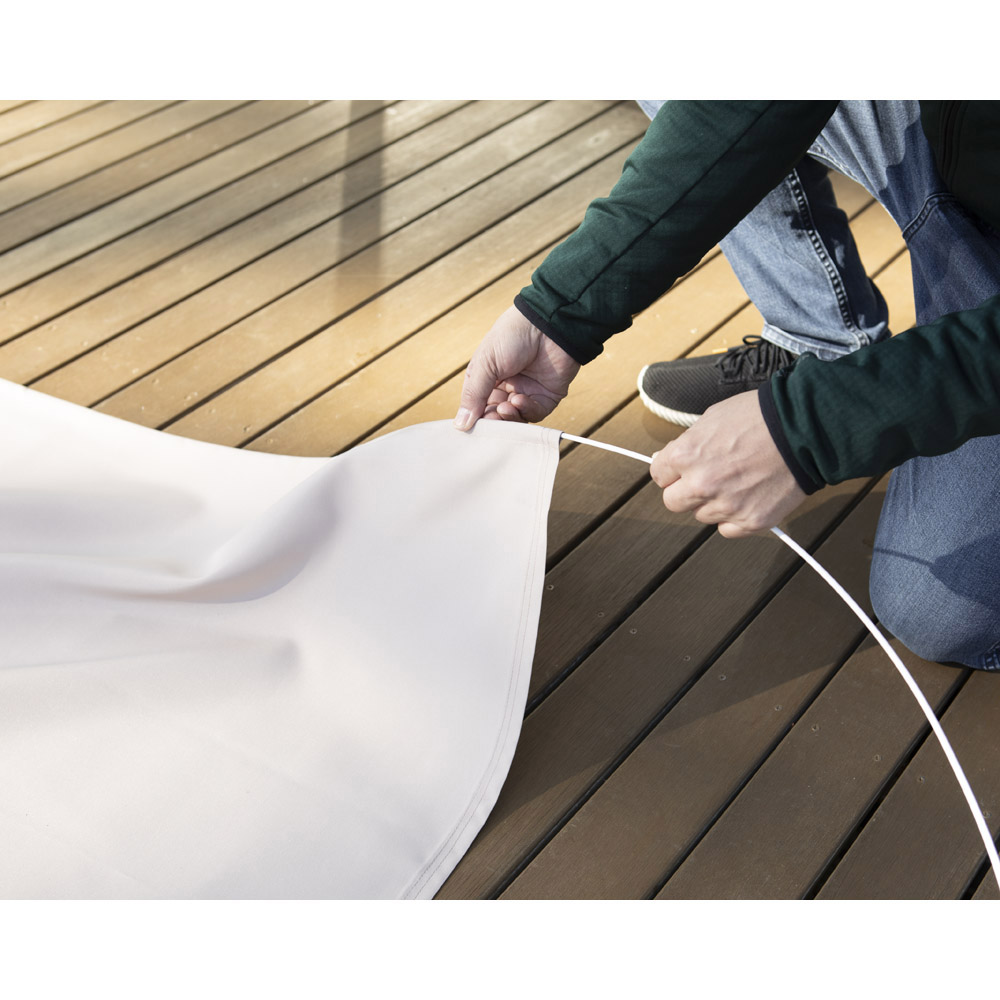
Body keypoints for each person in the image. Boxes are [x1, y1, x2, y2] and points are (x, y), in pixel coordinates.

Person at [453, 101, 1000, 672]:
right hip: (955, 141)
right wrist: (559, 313)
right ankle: (815, 344)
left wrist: (813, 427)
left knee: (937, 613)